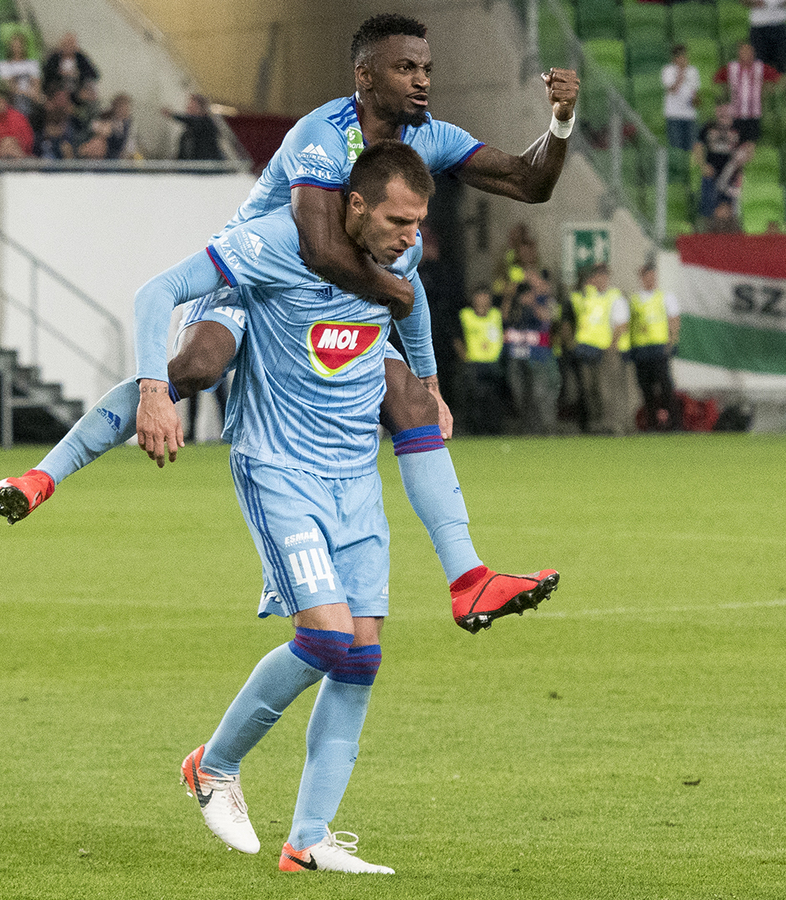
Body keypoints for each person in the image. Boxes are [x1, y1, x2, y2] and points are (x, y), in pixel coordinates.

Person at [0, 13, 570, 634]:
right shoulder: (323, 135)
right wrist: (395, 292)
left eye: (426, 68)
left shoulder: (426, 138)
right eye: (406, 68)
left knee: (409, 400)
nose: (422, 80)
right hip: (256, 273)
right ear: (365, 75)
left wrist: (560, 123)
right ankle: (45, 474)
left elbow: (529, 182)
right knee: (197, 366)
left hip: (332, 295)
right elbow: (319, 247)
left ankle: (468, 579)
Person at [147, 143, 476, 874]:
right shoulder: (273, 250)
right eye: (397, 221)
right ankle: (213, 764)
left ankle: (309, 840)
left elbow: (411, 308)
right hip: (279, 468)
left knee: (361, 656)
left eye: (418, 223)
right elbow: (176, 295)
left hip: (355, 479)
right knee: (326, 639)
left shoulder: (396, 259)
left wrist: (428, 383)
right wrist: (151, 386)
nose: (410, 237)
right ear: (354, 205)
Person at [613, 261, 680, 432]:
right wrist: (627, 348)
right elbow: (628, 324)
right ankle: (651, 423)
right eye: (646, 276)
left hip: (659, 348)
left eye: (652, 276)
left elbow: (674, 320)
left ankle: (673, 422)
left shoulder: (664, 297)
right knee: (645, 388)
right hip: (641, 350)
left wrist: (672, 340)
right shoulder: (634, 300)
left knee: (665, 387)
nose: (649, 279)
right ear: (641, 278)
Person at [501, 267, 560, 435]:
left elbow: (548, 317)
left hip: (538, 356)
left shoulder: (546, 300)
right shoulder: (517, 298)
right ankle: (528, 428)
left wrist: (532, 301)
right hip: (517, 354)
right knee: (520, 392)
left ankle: (547, 428)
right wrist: (510, 295)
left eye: (533, 276)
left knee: (540, 393)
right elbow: (505, 316)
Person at [564, 262, 617, 433]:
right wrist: (572, 344)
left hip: (602, 348)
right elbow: (567, 322)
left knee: (602, 388)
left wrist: (612, 344)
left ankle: (604, 423)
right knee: (586, 389)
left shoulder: (609, 296)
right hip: (584, 349)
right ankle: (590, 424)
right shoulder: (579, 297)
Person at [454, 287, 505, 435]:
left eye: (485, 297)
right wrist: (465, 358)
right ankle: (473, 430)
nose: (482, 300)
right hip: (473, 363)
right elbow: (457, 338)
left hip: (493, 363)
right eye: (479, 297)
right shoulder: (465, 315)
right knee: (473, 398)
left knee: (493, 399)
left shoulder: (496, 314)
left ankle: (493, 430)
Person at [714, 41, 779, 145]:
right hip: (736, 114)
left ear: (753, 53)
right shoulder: (732, 67)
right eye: (743, 51)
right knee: (735, 143)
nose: (746, 54)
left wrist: (766, 91)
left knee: (751, 144)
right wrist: (726, 91)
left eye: (749, 51)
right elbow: (717, 80)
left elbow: (777, 78)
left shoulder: (760, 67)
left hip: (754, 113)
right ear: (738, 52)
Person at [696, 102, 749, 215]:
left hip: (731, 174)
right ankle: (708, 219)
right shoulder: (708, 126)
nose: (723, 113)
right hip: (711, 172)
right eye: (720, 110)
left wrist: (739, 165)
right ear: (716, 110)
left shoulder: (739, 128)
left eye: (726, 109)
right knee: (709, 207)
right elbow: (698, 147)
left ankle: (729, 220)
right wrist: (703, 166)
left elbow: (747, 150)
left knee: (729, 208)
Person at [662, 44, 701, 152]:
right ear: (675, 58)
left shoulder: (693, 70)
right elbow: (672, 90)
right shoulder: (668, 70)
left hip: (690, 115)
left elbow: (695, 91)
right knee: (676, 149)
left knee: (690, 149)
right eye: (680, 56)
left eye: (685, 56)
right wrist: (680, 75)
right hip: (674, 115)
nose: (683, 59)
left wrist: (696, 100)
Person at [40, 29, 98, 101]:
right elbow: (46, 72)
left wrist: (78, 74)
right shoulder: (54, 57)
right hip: (57, 89)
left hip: (77, 90)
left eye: (71, 44)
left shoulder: (81, 58)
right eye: (66, 44)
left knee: (90, 91)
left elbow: (94, 74)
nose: (68, 46)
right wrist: (60, 73)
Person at [163, 93, 223, 161]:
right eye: (188, 106)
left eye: (192, 106)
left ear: (200, 108)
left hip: (208, 163)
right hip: (196, 163)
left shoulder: (206, 122)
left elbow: (190, 120)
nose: (188, 108)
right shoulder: (189, 130)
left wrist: (172, 115)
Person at [0, 30, 41, 115]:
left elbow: (36, 85)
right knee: (19, 100)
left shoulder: (32, 64)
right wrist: (25, 93)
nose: (17, 47)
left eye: (20, 44)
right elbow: (8, 86)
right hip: (14, 98)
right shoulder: (4, 65)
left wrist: (32, 94)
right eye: (15, 44)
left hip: (31, 98)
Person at [745, 0, 786, 73]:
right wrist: (753, 2)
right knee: (760, 63)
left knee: (781, 61)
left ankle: (780, 78)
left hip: (779, 23)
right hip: (759, 24)